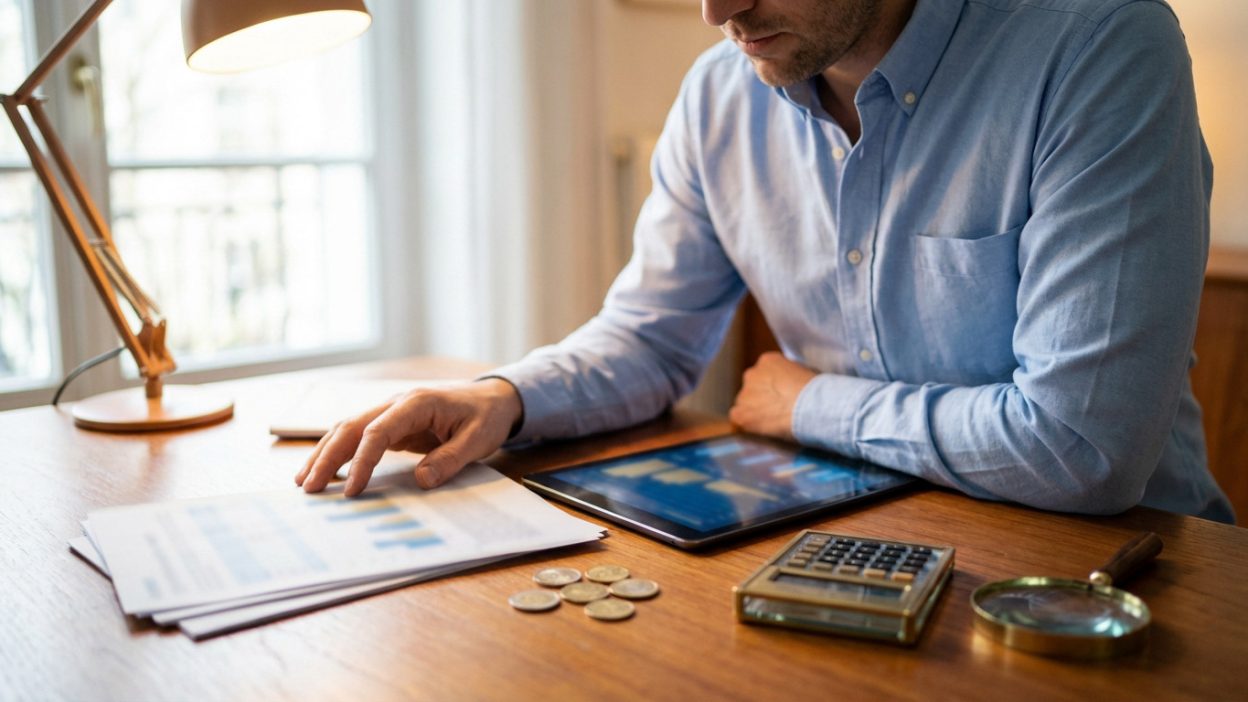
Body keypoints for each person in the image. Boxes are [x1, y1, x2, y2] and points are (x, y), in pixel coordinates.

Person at [297, 0, 1235, 523]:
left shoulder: (1100, 44)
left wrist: (808, 406)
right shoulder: (718, 97)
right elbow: (652, 340)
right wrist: (505, 398)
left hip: (1128, 575)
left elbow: (1083, 450)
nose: (717, 10)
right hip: (859, 535)